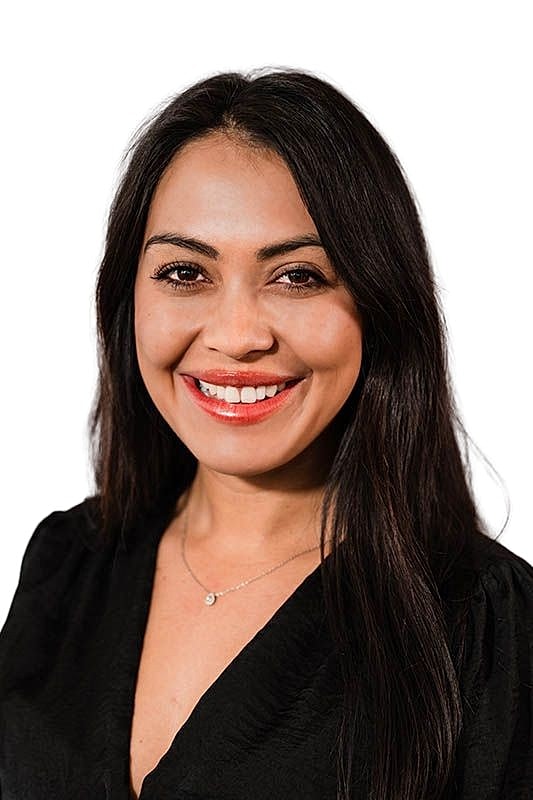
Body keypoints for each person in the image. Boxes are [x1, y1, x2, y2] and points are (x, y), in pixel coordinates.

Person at [0, 67, 531, 800]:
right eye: (185, 272)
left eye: (298, 276)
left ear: (380, 306)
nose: (237, 336)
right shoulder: (67, 561)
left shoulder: (487, 627)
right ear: (128, 301)